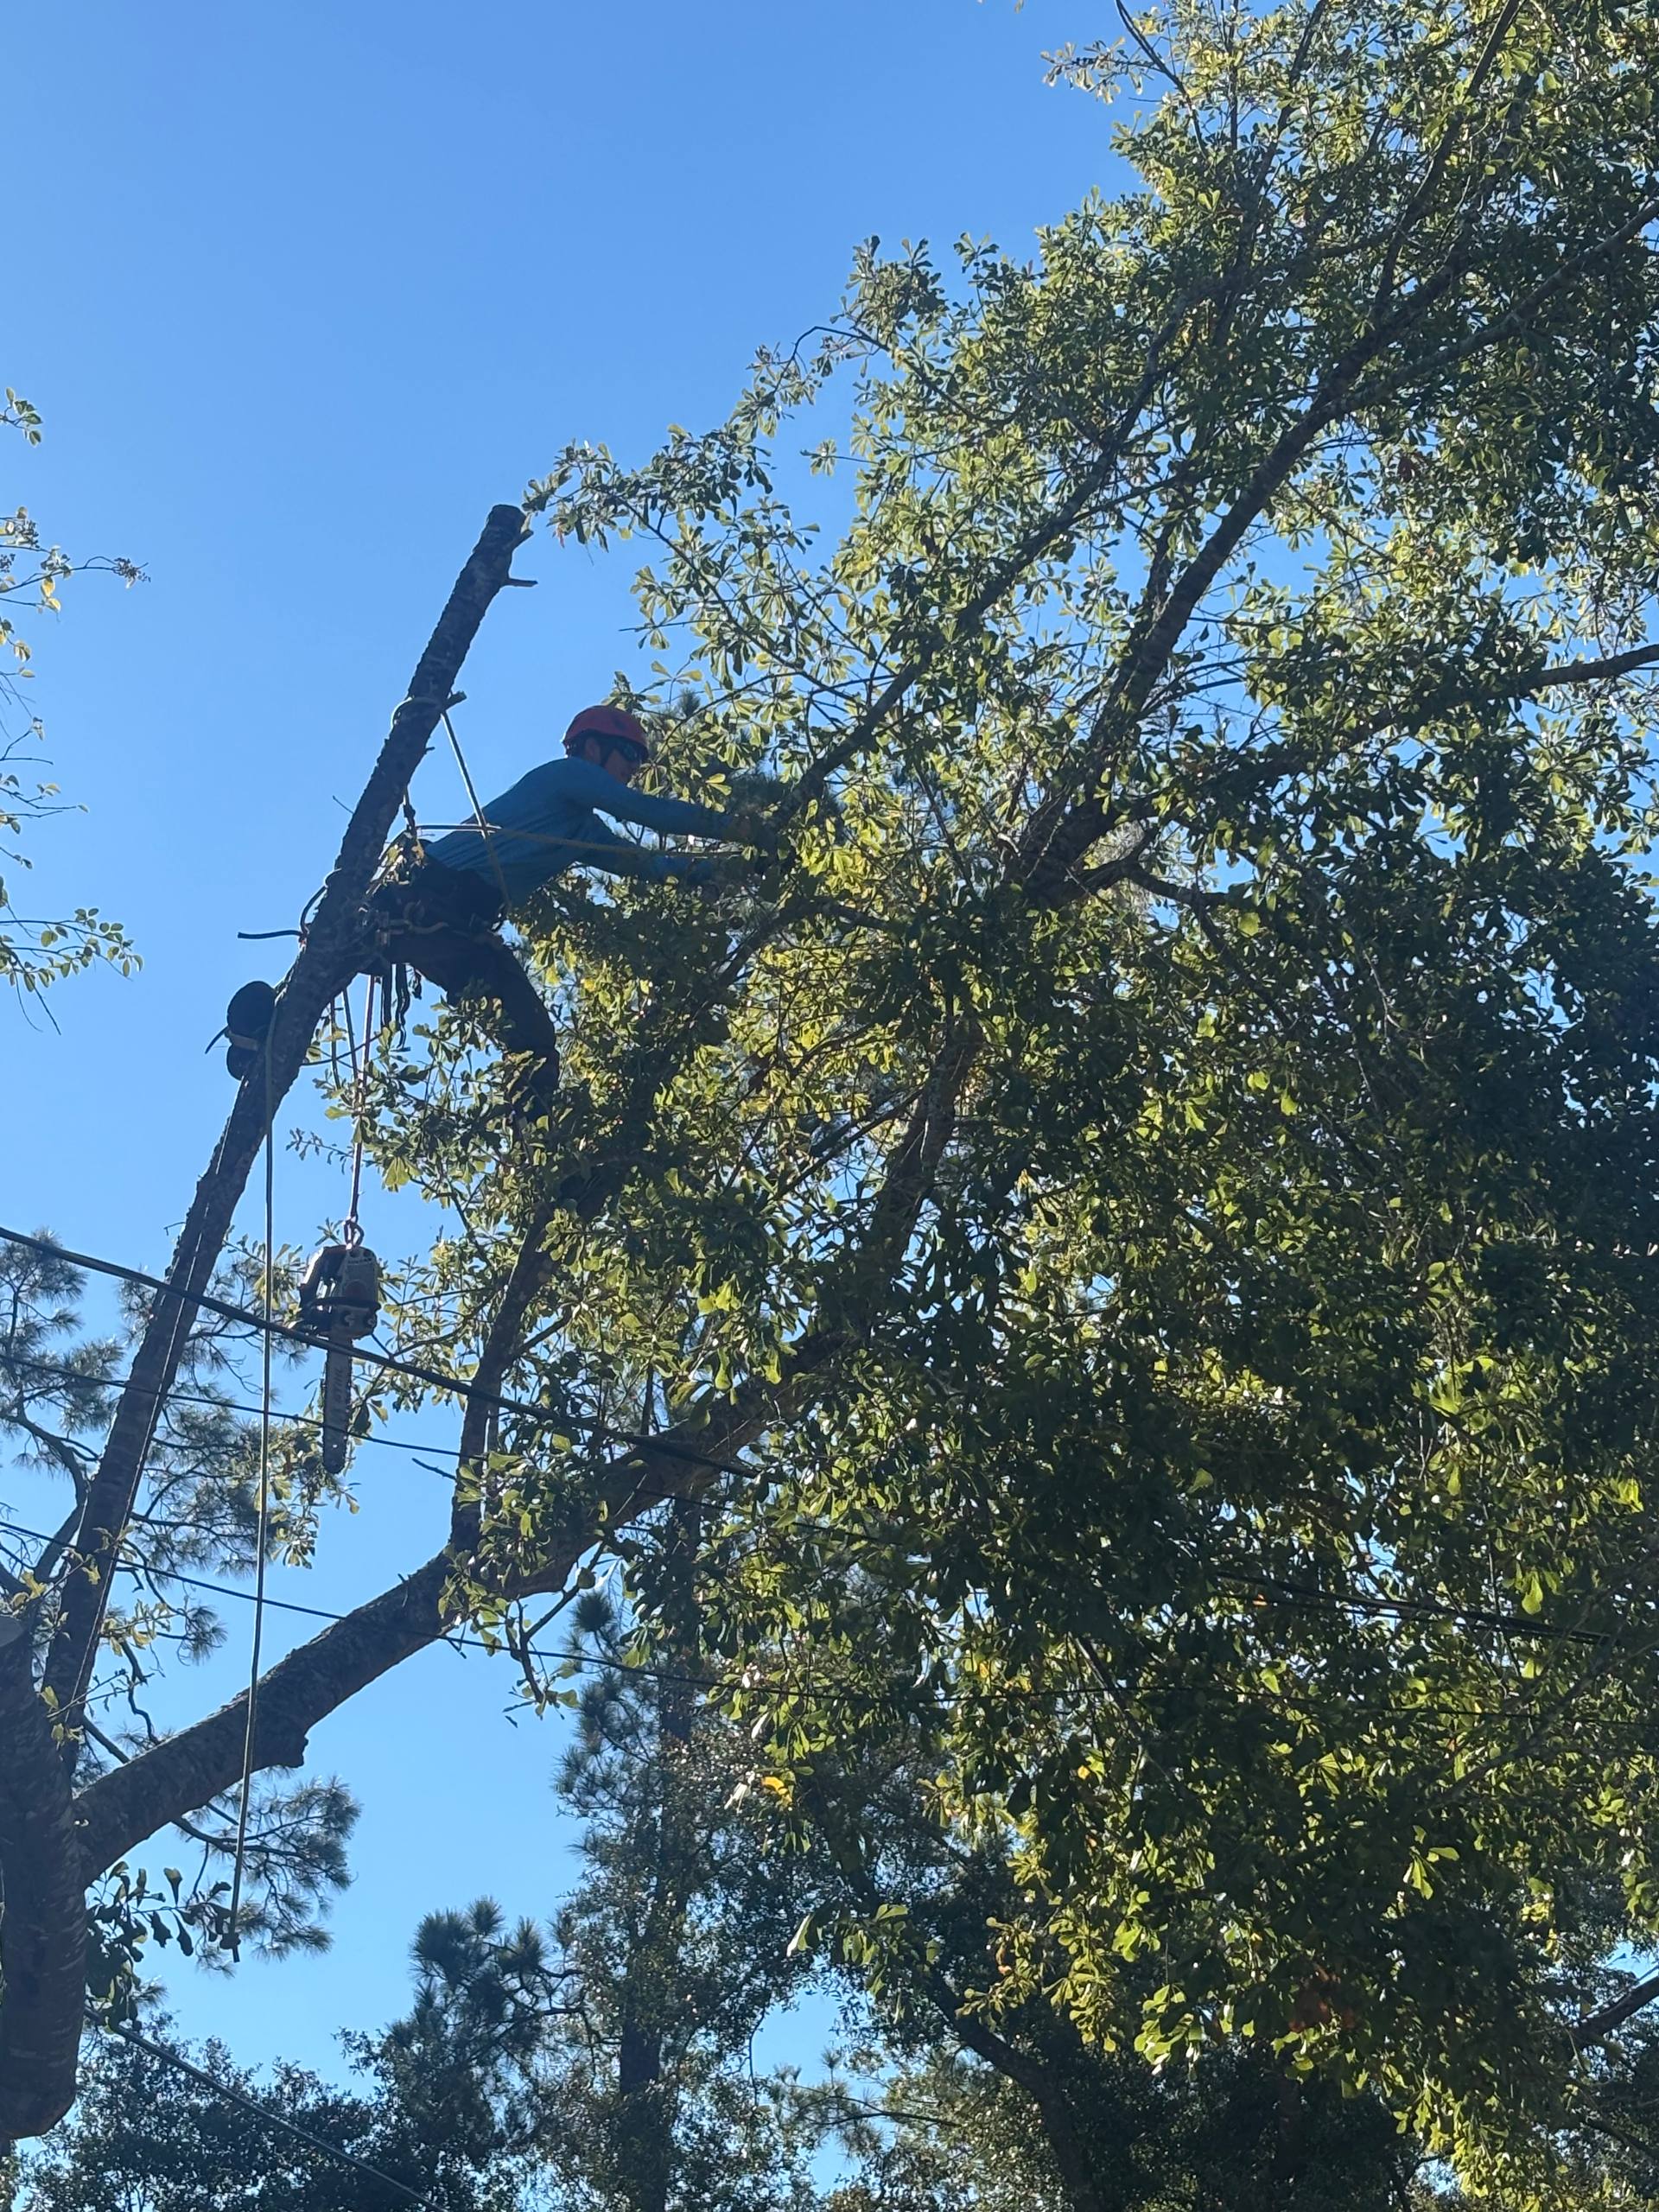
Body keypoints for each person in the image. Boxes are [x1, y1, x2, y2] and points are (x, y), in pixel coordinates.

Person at [423, 702, 736, 909]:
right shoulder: (568, 774)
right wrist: (738, 829)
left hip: (463, 913)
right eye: (629, 752)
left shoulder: (580, 830)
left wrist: (725, 869)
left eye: (640, 762)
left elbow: (646, 865)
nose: (634, 768)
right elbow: (650, 813)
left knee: (524, 1008)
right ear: (592, 748)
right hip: (433, 882)